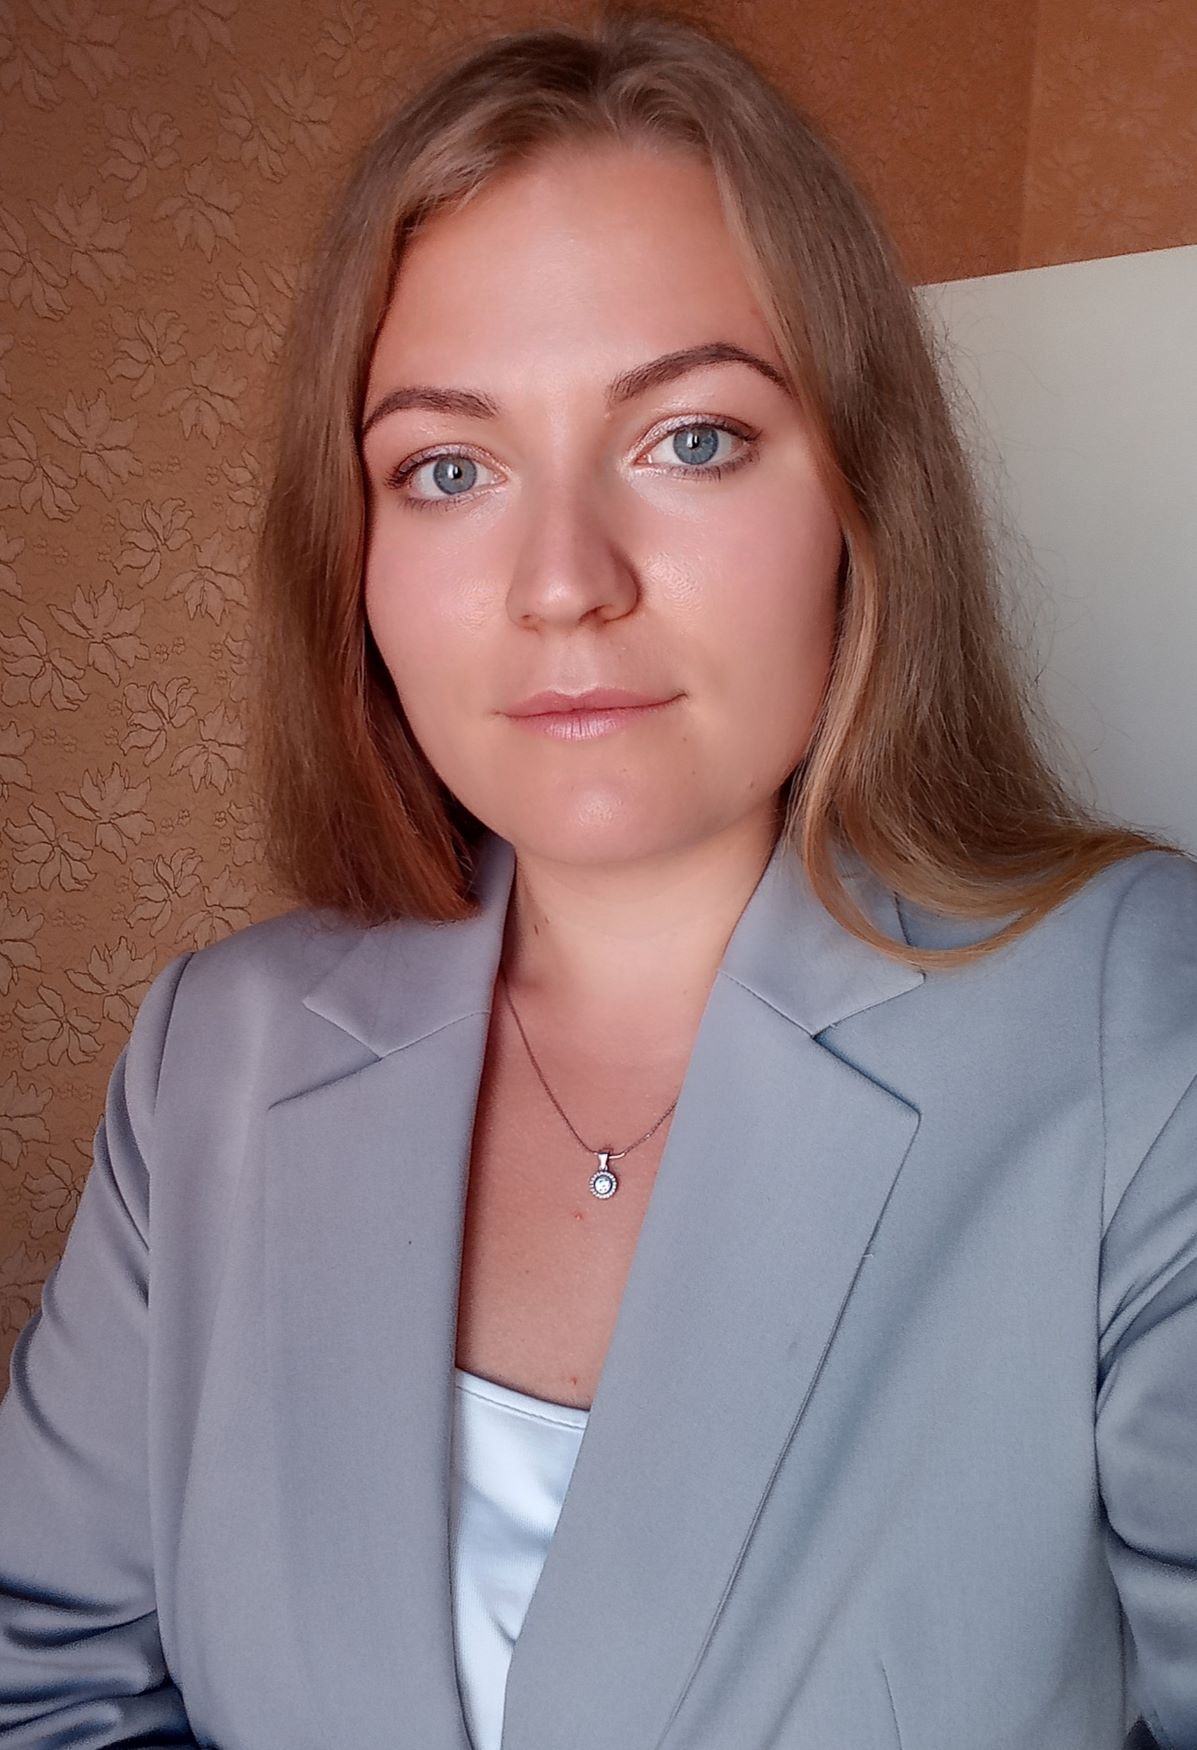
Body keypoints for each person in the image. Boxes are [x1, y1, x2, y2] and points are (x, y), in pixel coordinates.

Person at [1, 6, 1194, 1748]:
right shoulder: (214, 1053)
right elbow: (45, 1682)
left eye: (689, 438)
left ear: (860, 496)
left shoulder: (1136, 1025)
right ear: (355, 554)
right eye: (448, 468)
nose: (562, 579)